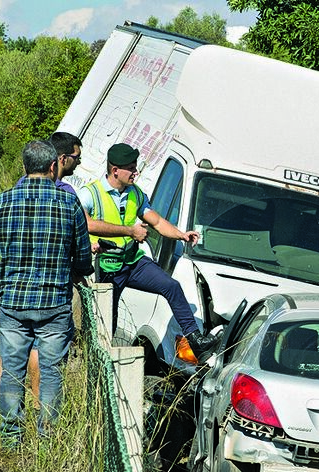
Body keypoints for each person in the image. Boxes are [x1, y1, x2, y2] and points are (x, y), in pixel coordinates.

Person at [0, 140, 93, 444]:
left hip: (14, 303)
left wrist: (1, 282)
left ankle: (11, 437)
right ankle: (47, 438)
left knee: (12, 370)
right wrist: (72, 274)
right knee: (51, 371)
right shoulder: (69, 204)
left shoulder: (1, 202)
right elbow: (83, 256)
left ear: (24, 166)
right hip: (55, 304)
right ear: (53, 166)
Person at [76, 142, 219, 361]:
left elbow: (157, 222)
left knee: (171, 286)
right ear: (115, 170)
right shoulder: (89, 194)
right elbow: (86, 224)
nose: (136, 172)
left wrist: (181, 235)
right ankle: (96, 361)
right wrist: (128, 231)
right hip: (106, 266)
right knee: (107, 320)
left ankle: (195, 340)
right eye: (131, 168)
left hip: (133, 262)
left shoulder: (136, 193)